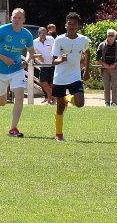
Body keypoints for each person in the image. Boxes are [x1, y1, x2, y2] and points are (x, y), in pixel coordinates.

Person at [0, 8, 34, 137]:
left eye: (19, 18)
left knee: (19, 97)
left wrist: (27, 60)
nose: (16, 20)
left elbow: (31, 50)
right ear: (11, 18)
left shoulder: (27, 34)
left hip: (16, 69)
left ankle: (13, 128)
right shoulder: (2, 30)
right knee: (2, 102)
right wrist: (3, 58)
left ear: (24, 20)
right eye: (14, 17)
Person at [51, 12, 90, 141]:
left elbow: (87, 52)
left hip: (75, 76)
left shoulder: (83, 40)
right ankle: (59, 134)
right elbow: (53, 61)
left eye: (74, 24)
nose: (71, 26)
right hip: (60, 78)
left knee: (80, 103)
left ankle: (69, 99)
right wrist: (61, 59)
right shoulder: (59, 39)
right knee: (60, 107)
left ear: (78, 26)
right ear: (65, 25)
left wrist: (86, 70)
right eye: (69, 23)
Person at [96, 29, 117, 107]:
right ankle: (107, 103)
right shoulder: (102, 45)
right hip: (104, 69)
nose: (110, 37)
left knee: (115, 87)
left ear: (115, 36)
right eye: (108, 35)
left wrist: (115, 64)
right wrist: (104, 64)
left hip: (115, 68)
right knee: (106, 87)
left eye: (112, 35)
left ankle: (114, 103)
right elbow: (98, 58)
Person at [33, 26, 55, 104]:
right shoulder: (34, 42)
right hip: (43, 65)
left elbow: (56, 49)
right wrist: (38, 55)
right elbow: (32, 53)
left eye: (44, 33)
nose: (42, 34)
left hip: (53, 64)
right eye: (41, 33)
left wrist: (54, 58)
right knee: (43, 82)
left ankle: (49, 100)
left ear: (46, 33)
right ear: (38, 34)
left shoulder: (51, 39)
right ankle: (54, 96)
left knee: (51, 83)